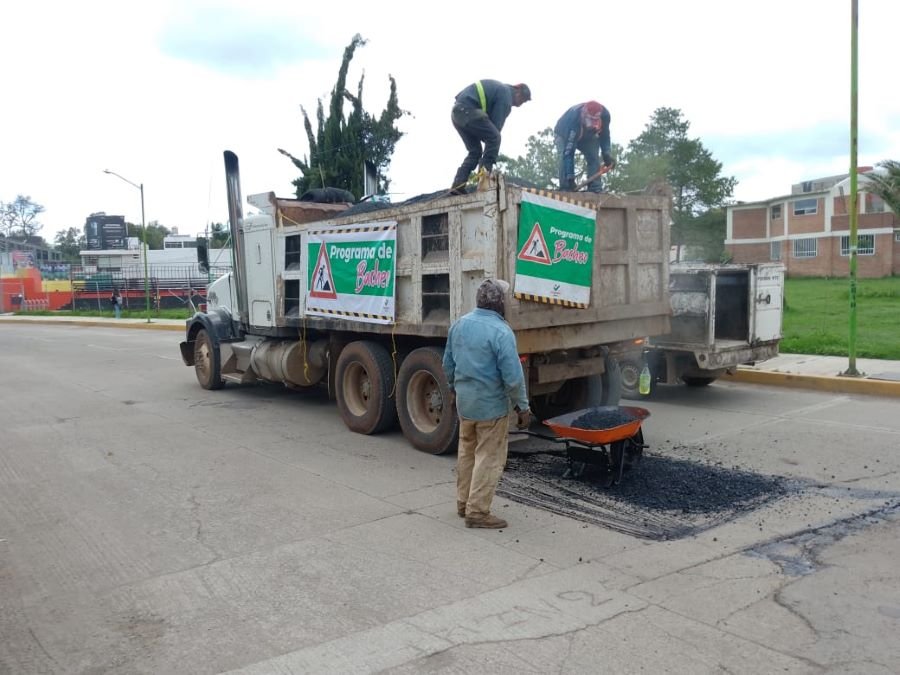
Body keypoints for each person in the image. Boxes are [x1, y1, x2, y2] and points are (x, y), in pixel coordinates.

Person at [443, 279, 532, 529]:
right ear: (501, 303)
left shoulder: (459, 324)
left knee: (466, 452)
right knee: (488, 457)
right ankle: (478, 512)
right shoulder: (502, 332)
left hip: (465, 404)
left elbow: (447, 364)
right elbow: (513, 378)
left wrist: (452, 389)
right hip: (490, 408)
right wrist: (522, 408)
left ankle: (463, 503)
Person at [449, 80, 531, 195]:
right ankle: (484, 183)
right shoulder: (506, 96)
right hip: (468, 111)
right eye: (522, 100)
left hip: (457, 114)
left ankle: (458, 185)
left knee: (475, 152)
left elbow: (488, 129)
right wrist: (491, 152)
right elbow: (495, 130)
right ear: (517, 92)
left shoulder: (499, 90)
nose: (520, 104)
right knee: (495, 138)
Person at [554, 101, 614, 192]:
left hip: (588, 135)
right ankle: (566, 186)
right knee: (564, 156)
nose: (593, 123)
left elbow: (605, 135)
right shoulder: (573, 119)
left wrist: (607, 154)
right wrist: (570, 177)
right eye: (590, 120)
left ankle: (595, 188)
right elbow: (569, 152)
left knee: (594, 156)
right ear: (584, 114)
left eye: (595, 120)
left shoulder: (605, 115)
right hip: (564, 134)